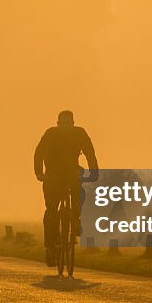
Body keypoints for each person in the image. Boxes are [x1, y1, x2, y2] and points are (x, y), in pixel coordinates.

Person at [33, 110, 99, 266]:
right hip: (53, 175)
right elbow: (39, 154)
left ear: (73, 123)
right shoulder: (50, 134)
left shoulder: (80, 133)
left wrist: (94, 172)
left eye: (68, 123)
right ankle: (50, 245)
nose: (65, 126)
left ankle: (75, 220)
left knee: (79, 191)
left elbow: (90, 152)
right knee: (51, 210)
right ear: (57, 124)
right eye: (62, 123)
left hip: (71, 172)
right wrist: (39, 173)